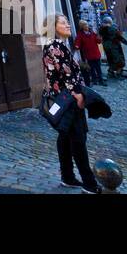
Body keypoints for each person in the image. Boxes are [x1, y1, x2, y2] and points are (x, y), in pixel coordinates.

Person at [43, 13, 100, 193]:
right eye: (63, 23)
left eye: (67, 22)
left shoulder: (58, 45)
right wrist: (79, 95)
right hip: (69, 100)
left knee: (65, 137)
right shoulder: (55, 46)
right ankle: (89, 183)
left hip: (64, 99)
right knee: (78, 139)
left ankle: (67, 176)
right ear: (53, 27)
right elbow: (67, 74)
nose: (68, 25)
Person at [76, 20, 105, 86]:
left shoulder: (92, 32)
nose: (86, 26)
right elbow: (78, 43)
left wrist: (99, 38)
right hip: (89, 55)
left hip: (96, 53)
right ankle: (94, 80)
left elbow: (98, 41)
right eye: (84, 25)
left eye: (86, 24)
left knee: (98, 68)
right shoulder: (80, 35)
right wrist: (76, 45)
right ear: (82, 27)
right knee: (91, 69)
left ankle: (101, 80)